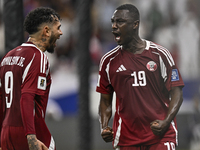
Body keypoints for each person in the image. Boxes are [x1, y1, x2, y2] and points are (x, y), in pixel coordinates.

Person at [96, 4, 184, 150]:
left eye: (120, 22)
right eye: (113, 21)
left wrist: (166, 121)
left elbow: (177, 93)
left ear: (135, 25)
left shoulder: (159, 54)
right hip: (126, 140)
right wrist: (104, 126)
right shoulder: (108, 61)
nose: (114, 26)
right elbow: (105, 100)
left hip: (161, 136)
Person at [0, 7, 62, 150]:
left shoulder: (8, 57)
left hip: (6, 133)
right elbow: (27, 97)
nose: (61, 32)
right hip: (31, 132)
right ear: (46, 31)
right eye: (58, 28)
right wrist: (31, 137)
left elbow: (1, 99)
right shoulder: (38, 56)